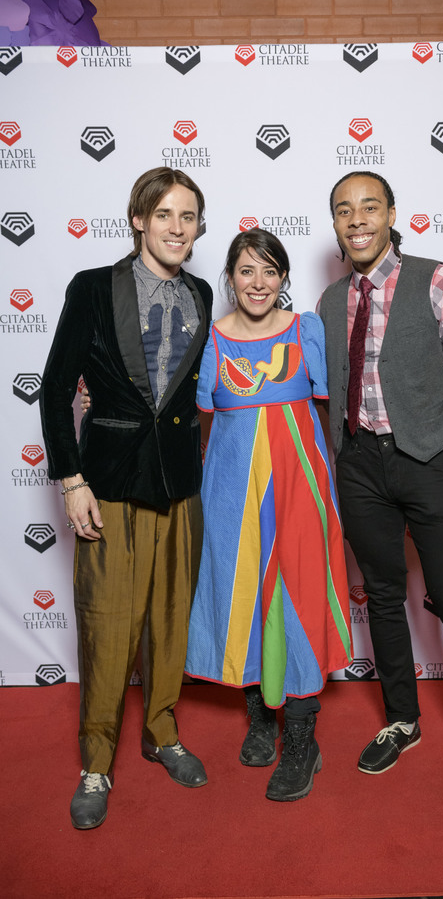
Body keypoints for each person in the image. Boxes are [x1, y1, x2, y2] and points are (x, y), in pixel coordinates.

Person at [318, 171, 443, 801]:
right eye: (344, 211)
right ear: (335, 225)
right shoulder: (328, 302)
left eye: (369, 207)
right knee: (381, 596)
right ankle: (403, 721)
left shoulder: (438, 280)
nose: (357, 220)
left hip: (431, 463)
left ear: (392, 213)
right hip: (359, 467)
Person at [39, 168, 213, 830]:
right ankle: (97, 759)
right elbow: (56, 390)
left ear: (199, 227)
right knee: (110, 625)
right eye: (164, 214)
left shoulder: (200, 293)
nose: (176, 227)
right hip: (108, 481)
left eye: (188, 216)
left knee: (171, 620)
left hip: (178, 483)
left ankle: (162, 731)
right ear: (139, 219)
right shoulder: (91, 288)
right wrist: (71, 479)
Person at [184, 228, 352, 802]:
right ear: (230, 277)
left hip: (301, 485)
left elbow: (333, 410)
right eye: (246, 271)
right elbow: (192, 415)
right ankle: (259, 715)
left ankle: (302, 738)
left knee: (299, 595)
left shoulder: (307, 329)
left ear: (283, 278)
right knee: (245, 595)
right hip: (231, 488)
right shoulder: (210, 339)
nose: (258, 283)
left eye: (270, 271)